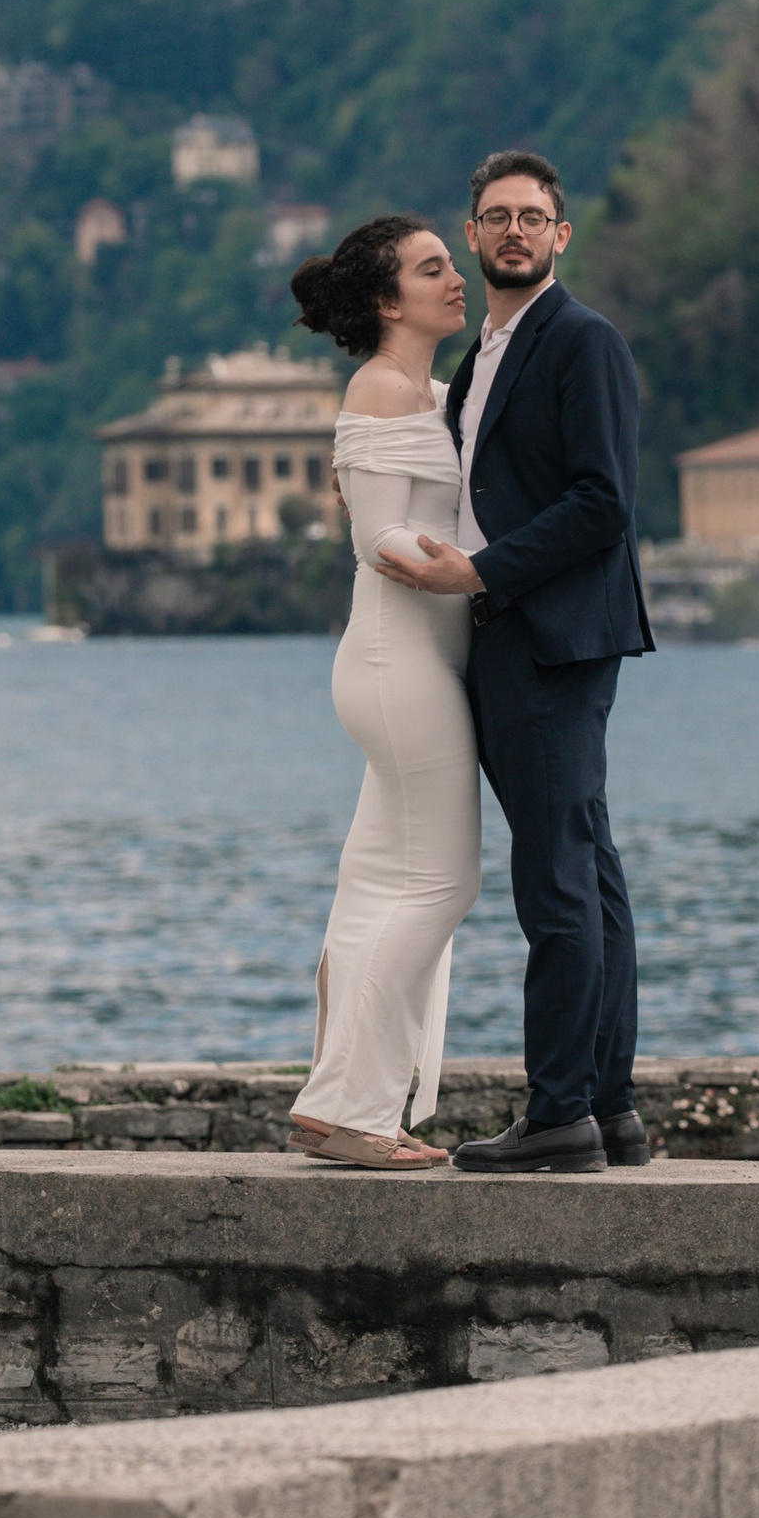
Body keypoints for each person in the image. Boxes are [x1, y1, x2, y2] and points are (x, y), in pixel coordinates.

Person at [371, 148, 655, 1174]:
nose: (514, 232)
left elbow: (602, 504)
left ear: (561, 235)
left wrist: (480, 576)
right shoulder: (484, 359)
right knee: (587, 868)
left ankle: (558, 1116)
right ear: (476, 233)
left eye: (533, 216)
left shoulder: (582, 342)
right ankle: (611, 1111)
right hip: (515, 636)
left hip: (551, 638)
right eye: (496, 217)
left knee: (555, 883)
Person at [286, 214, 480, 1171]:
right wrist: (473, 574)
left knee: (372, 888)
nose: (458, 278)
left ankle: (335, 1104)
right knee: (445, 881)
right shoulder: (377, 385)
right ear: (387, 300)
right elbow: (377, 537)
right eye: (433, 268)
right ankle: (362, 1112)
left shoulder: (432, 393)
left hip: (410, 663)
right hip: (395, 663)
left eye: (452, 264)